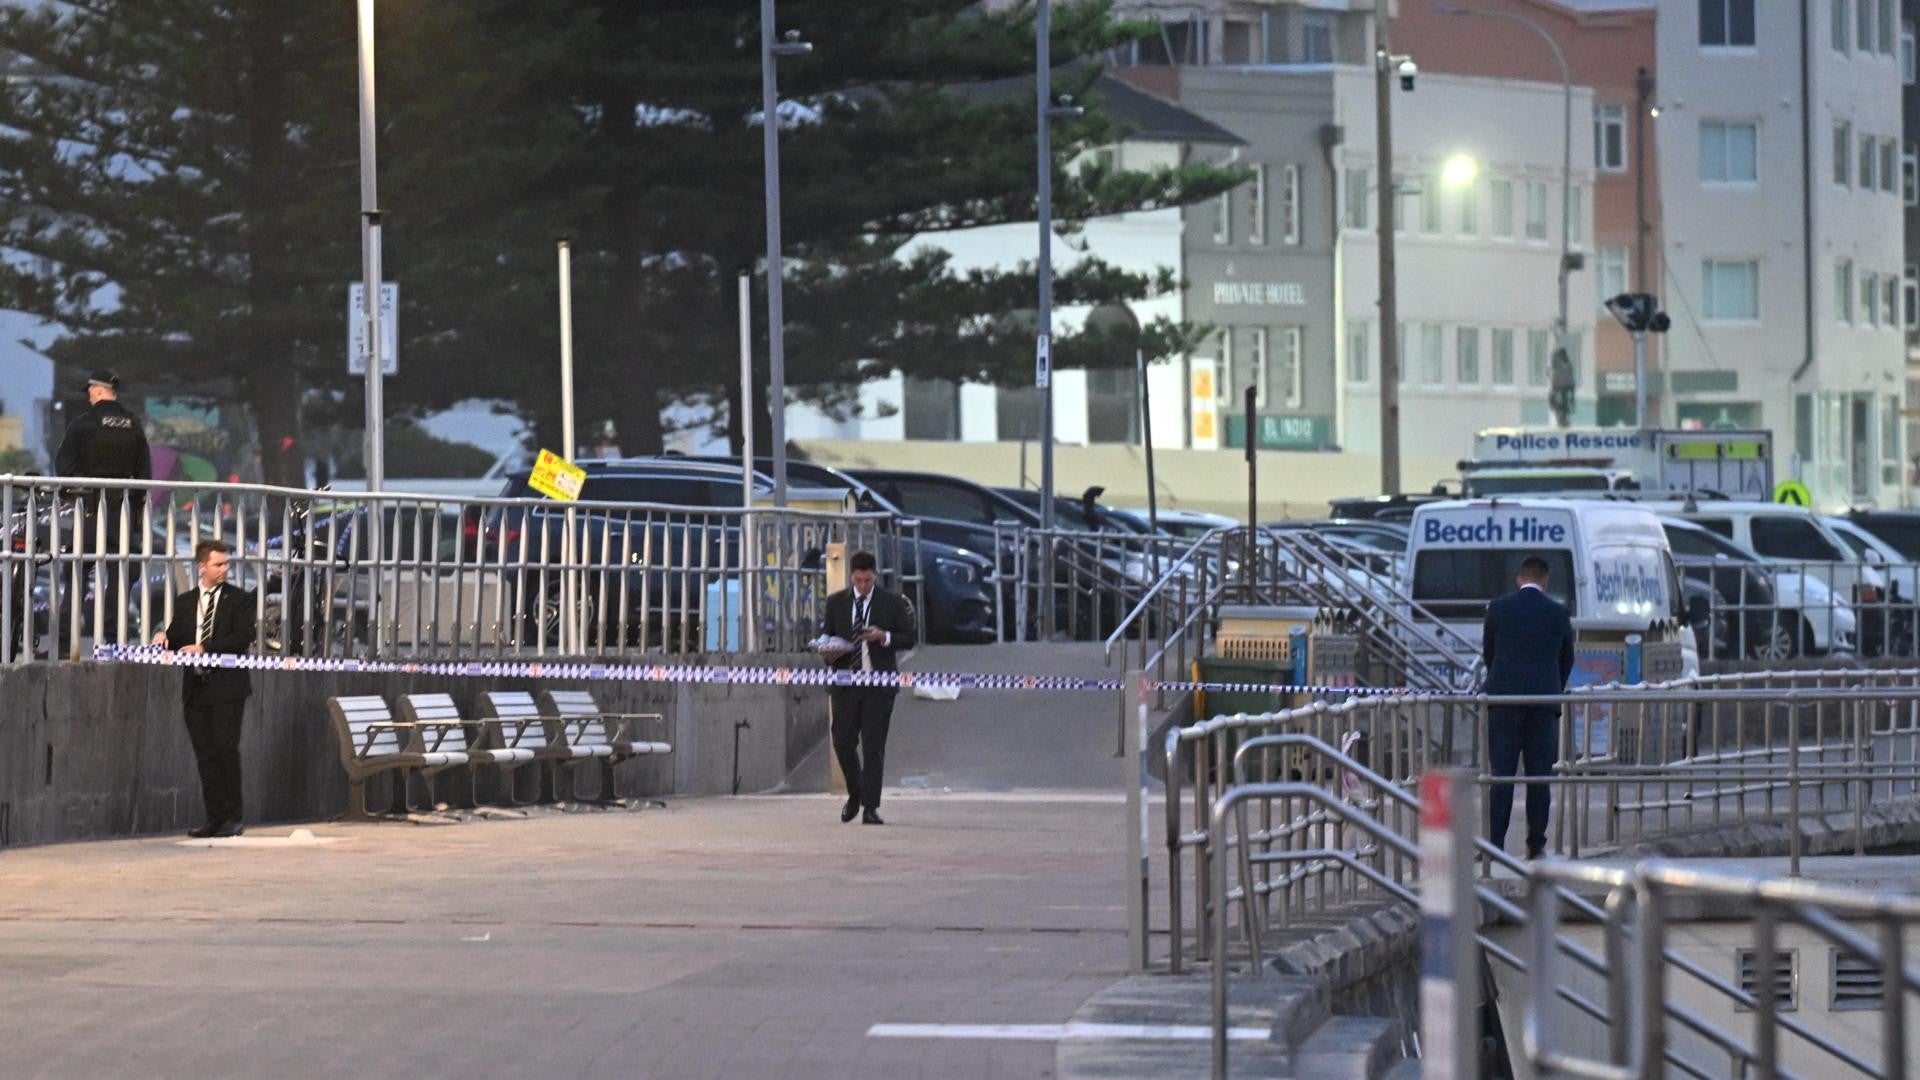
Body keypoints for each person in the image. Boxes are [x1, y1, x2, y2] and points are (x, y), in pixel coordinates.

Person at [153, 540, 257, 839]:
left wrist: (205, 648)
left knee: (226, 751)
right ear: (202, 567)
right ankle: (214, 819)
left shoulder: (239, 599)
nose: (224, 569)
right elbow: (176, 637)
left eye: (226, 564)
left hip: (227, 688)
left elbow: (242, 638)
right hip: (196, 689)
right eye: (218, 564)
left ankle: (233, 818)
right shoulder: (186, 601)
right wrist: (162, 638)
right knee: (205, 755)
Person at [1482, 555, 1575, 859]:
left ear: (1519, 579)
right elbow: (1567, 659)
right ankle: (1536, 845)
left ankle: (1494, 845)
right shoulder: (1558, 613)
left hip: (1504, 701)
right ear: (1545, 580)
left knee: (1501, 776)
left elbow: (1489, 655)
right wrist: (1552, 688)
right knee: (1538, 777)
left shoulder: (1498, 609)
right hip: (1543, 703)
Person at [53, 369, 152, 652]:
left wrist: (75, 493)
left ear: (97, 391)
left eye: (89, 391)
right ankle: (114, 637)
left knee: (77, 571)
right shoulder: (133, 424)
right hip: (123, 511)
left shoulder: (83, 424)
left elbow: (64, 465)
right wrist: (134, 508)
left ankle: (64, 641)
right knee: (121, 572)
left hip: (90, 509)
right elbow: (144, 473)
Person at [820, 550, 917, 825]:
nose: (863, 585)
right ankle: (856, 791)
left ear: (874, 576)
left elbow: (908, 637)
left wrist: (883, 636)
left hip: (878, 684)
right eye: (858, 580)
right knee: (841, 739)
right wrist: (828, 650)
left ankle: (870, 807)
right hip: (846, 682)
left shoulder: (891, 602)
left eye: (867, 580)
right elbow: (827, 633)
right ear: (852, 576)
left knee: (873, 746)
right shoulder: (836, 602)